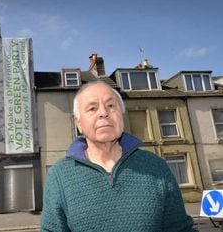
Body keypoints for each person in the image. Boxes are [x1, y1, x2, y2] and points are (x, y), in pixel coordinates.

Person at [41, 81, 196, 231]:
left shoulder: (156, 166)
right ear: (78, 123)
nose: (103, 113)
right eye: (92, 108)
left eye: (110, 106)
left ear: (121, 115)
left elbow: (180, 228)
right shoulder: (59, 175)